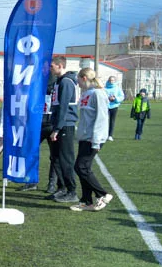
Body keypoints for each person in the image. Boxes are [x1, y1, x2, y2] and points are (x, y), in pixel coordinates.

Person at [70, 68, 113, 212]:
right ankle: (86, 201)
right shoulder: (85, 94)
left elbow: (101, 118)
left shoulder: (98, 94)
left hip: (93, 138)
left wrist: (96, 141)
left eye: (77, 78)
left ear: (83, 78)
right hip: (85, 137)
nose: (77, 82)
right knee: (84, 168)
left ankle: (103, 194)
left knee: (80, 167)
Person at [19, 70, 60, 192]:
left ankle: (51, 183)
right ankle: (33, 181)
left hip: (49, 124)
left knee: (54, 156)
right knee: (30, 152)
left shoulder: (57, 86)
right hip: (40, 124)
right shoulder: (36, 86)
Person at [47, 57, 79, 203]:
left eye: (52, 66)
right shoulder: (58, 82)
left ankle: (72, 191)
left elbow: (64, 107)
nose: (50, 69)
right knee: (56, 158)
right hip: (58, 123)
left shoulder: (66, 82)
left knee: (66, 159)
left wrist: (58, 128)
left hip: (65, 125)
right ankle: (62, 188)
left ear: (60, 66)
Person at [104, 75, 124, 141]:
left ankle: (110, 135)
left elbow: (122, 96)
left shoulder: (117, 88)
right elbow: (102, 96)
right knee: (104, 121)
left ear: (114, 81)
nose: (111, 81)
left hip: (114, 106)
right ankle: (104, 135)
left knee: (112, 121)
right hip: (106, 106)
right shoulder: (105, 88)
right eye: (110, 80)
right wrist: (108, 98)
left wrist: (115, 99)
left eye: (112, 80)